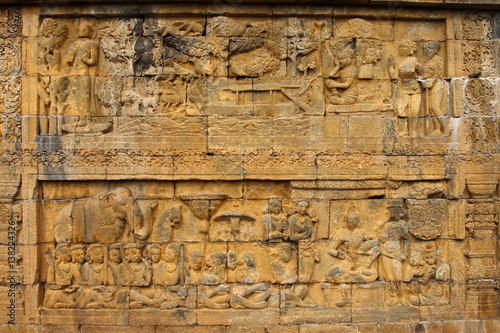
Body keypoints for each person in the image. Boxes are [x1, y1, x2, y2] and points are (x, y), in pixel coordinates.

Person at [388, 40, 424, 137]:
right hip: (402, 88)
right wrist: (391, 67)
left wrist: (419, 68)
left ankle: (414, 130)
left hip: (413, 88)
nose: (402, 49)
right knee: (400, 109)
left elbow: (422, 73)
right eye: (401, 47)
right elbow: (394, 77)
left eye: (405, 47)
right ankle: (404, 130)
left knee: (414, 110)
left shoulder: (414, 60)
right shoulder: (397, 60)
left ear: (411, 49)